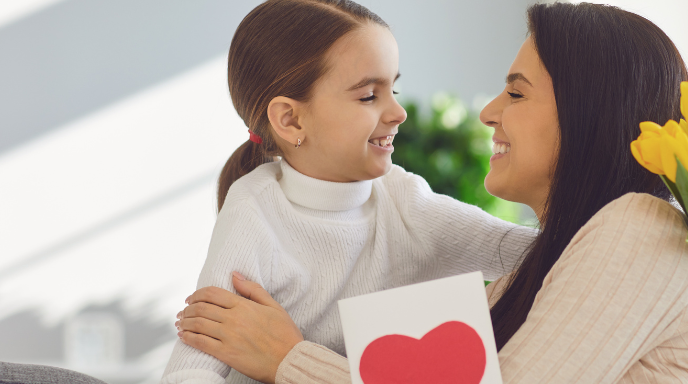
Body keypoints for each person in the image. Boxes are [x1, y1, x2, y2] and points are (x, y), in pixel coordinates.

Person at [175, 2, 688, 383]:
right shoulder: (606, 248)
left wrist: (290, 360)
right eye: (368, 94)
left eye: (517, 93)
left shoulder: (638, 228)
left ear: (588, 114)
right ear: (288, 121)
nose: (489, 112)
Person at [160, 1, 541, 383]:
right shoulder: (253, 212)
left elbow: (547, 253)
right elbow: (191, 368)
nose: (398, 112)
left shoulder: (406, 201)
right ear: (291, 120)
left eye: (393, 88)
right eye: (368, 96)